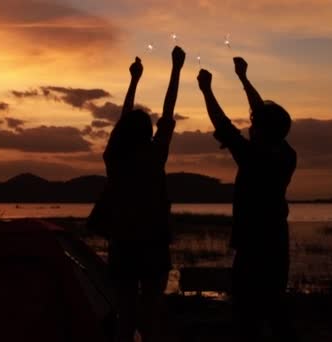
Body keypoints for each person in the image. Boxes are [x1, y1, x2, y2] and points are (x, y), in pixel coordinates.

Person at [197, 57, 297, 340]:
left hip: (253, 244)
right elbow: (262, 114)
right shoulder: (287, 154)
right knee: (275, 309)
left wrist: (206, 90)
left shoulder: (254, 157)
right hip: (277, 241)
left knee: (247, 315)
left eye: (255, 124)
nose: (251, 125)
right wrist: (242, 78)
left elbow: (223, 124)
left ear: (261, 130)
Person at [104, 46, 185, 342]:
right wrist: (176, 69)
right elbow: (168, 110)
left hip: (123, 242)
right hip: (153, 242)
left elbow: (122, 122)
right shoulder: (154, 154)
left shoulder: (114, 156)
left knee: (124, 314)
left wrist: (134, 80)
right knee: (151, 313)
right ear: (148, 133)